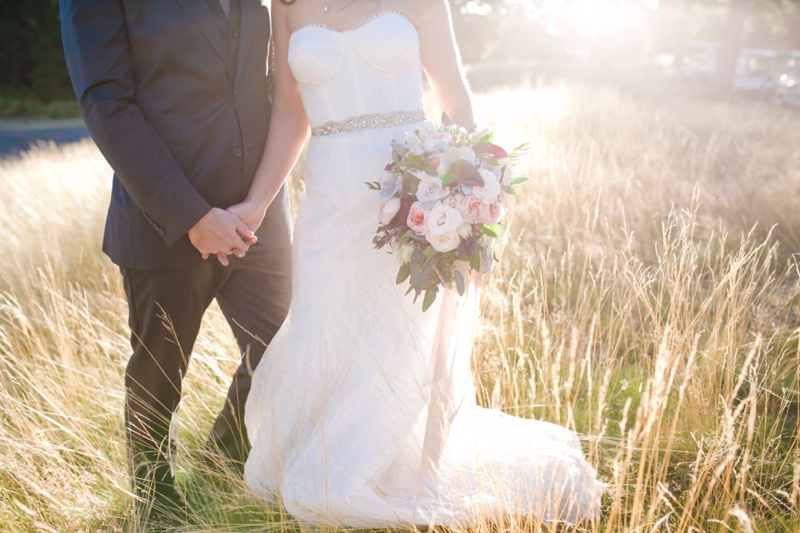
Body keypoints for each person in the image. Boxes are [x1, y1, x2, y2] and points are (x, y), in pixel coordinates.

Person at [231, 0, 603, 527]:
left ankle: (408, 470)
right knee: (327, 326)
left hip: (415, 193)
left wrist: (469, 198)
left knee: (410, 335)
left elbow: (454, 96)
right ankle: (332, 456)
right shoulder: (287, 5)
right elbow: (291, 112)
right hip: (331, 203)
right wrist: (258, 201)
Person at [59, 0, 293, 527]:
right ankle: (156, 507)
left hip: (259, 216)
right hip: (162, 221)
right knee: (158, 375)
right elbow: (106, 103)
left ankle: (218, 466)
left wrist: (258, 201)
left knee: (285, 349)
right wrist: (191, 216)